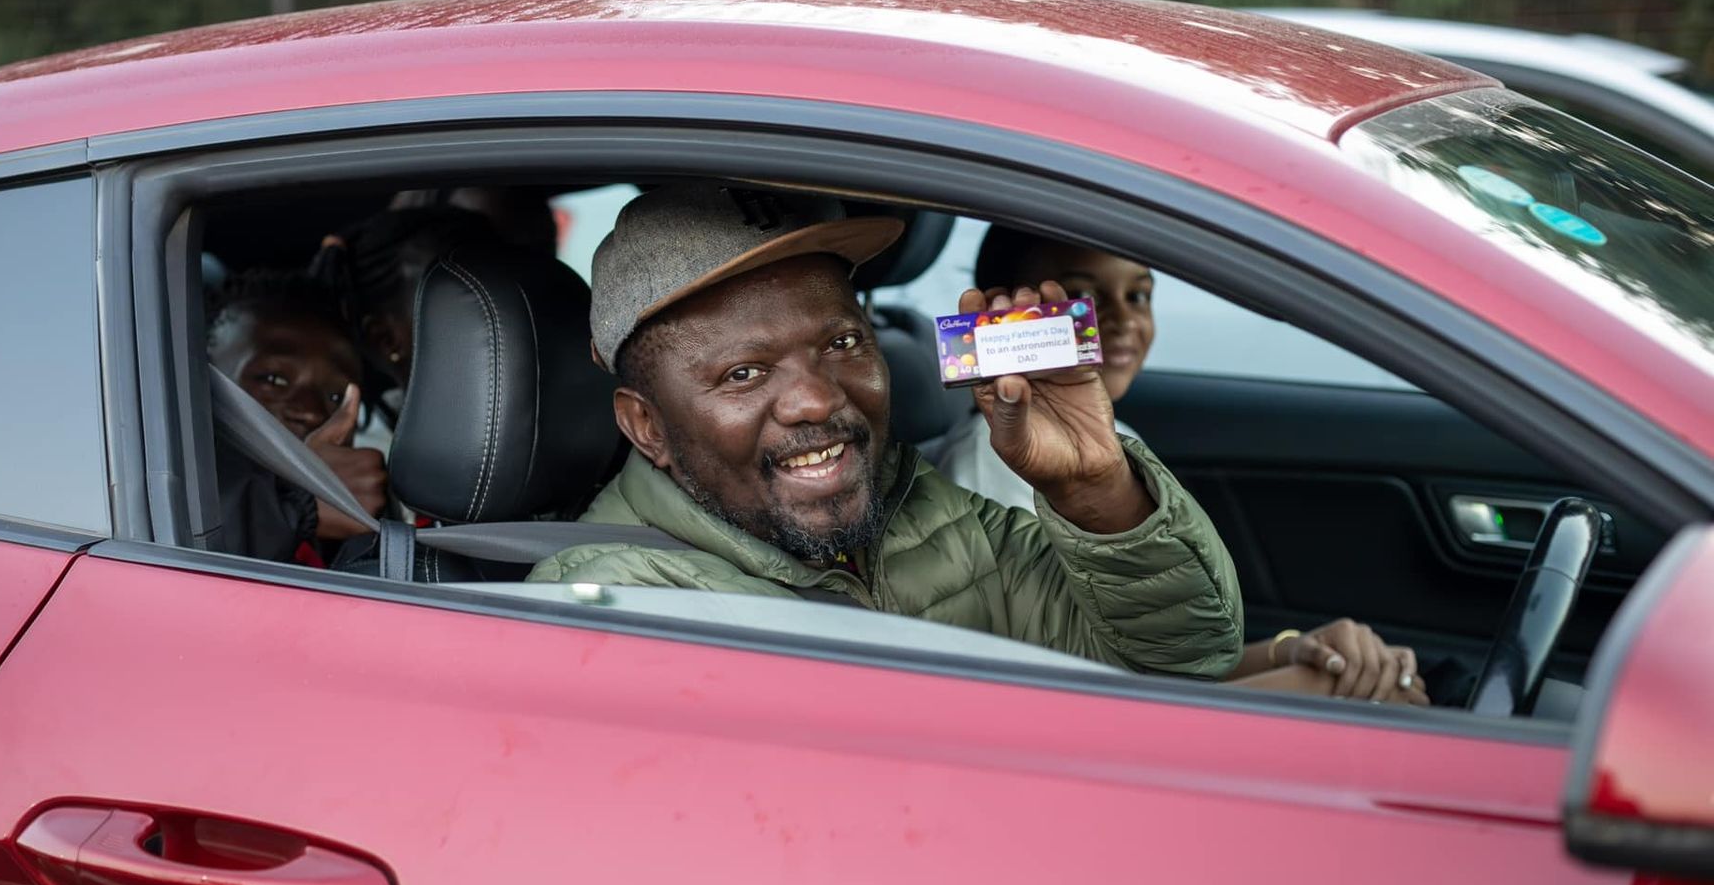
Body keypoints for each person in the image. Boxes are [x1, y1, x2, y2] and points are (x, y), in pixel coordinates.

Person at [527, 184, 1249, 680]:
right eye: (745, 374)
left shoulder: (925, 510)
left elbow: (1183, 664)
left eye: (842, 344)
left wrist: (1097, 489)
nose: (816, 400)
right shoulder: (609, 613)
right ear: (646, 425)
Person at [936, 227, 1427, 704]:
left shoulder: (1117, 437)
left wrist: (1291, 651)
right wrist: (1313, 692)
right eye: (1083, 297)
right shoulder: (993, 463)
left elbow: (1151, 652)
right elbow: (1061, 695)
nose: (1123, 318)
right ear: (1002, 322)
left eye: (1139, 296)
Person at [207, 270, 388, 560]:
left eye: (335, 397)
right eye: (273, 380)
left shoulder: (366, 544)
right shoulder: (154, 493)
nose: (312, 413)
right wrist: (296, 506)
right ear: (200, 388)